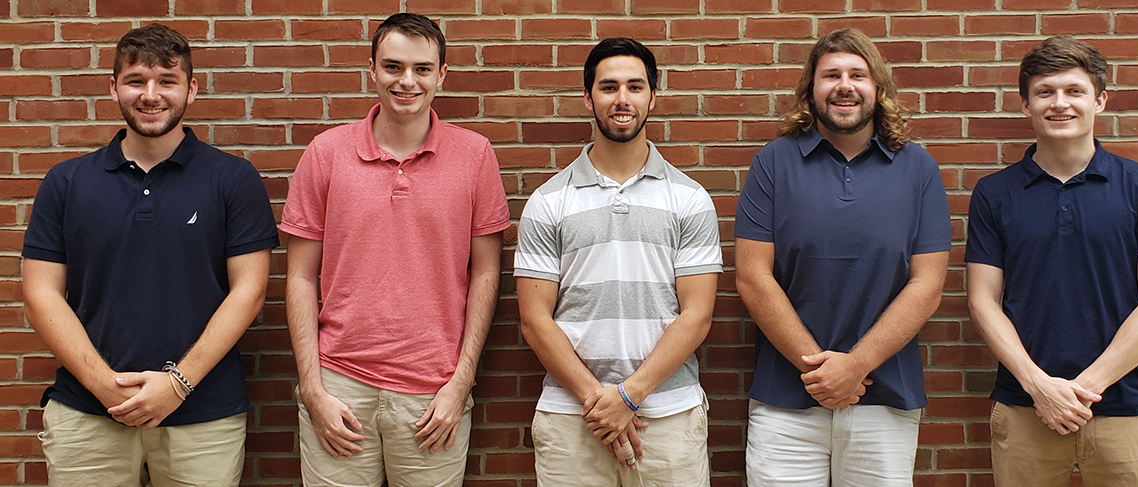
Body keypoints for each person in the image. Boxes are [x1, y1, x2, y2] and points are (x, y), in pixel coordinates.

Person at [22, 23, 278, 486]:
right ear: (113, 87)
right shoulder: (66, 182)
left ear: (191, 89)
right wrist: (105, 387)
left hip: (203, 416)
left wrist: (177, 384)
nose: (151, 95)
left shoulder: (233, 179)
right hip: (88, 413)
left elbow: (250, 291)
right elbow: (41, 295)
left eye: (167, 81)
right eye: (136, 80)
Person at [281, 12, 510, 487]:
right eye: (393, 67)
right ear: (372, 69)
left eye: (422, 69)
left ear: (442, 75)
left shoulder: (475, 155)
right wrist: (312, 388)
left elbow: (487, 273)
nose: (407, 81)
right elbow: (300, 276)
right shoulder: (326, 152)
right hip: (340, 385)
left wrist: (460, 382)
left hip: (433, 392)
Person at [734, 28, 951, 486]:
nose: (845, 86)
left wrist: (854, 367)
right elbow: (753, 277)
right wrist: (821, 372)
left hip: (884, 396)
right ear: (811, 89)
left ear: (878, 87)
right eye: (831, 75)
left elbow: (928, 285)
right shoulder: (773, 163)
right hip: (786, 400)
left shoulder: (918, 169)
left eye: (858, 74)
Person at [965, 36, 1138, 487]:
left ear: (1099, 100)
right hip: (1025, 409)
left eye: (1074, 91)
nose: (1059, 103)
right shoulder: (994, 193)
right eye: (1045, 92)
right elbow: (982, 301)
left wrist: (1081, 391)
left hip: (1124, 410)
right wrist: (1040, 387)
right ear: (1026, 105)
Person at [514, 37, 722, 486]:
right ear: (588, 97)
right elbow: (534, 319)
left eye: (635, 86)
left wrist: (628, 396)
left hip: (669, 418)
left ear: (652, 96)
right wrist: (599, 401)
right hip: (572, 419)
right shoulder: (548, 202)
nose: (622, 99)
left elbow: (698, 315)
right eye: (608, 87)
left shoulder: (689, 199)